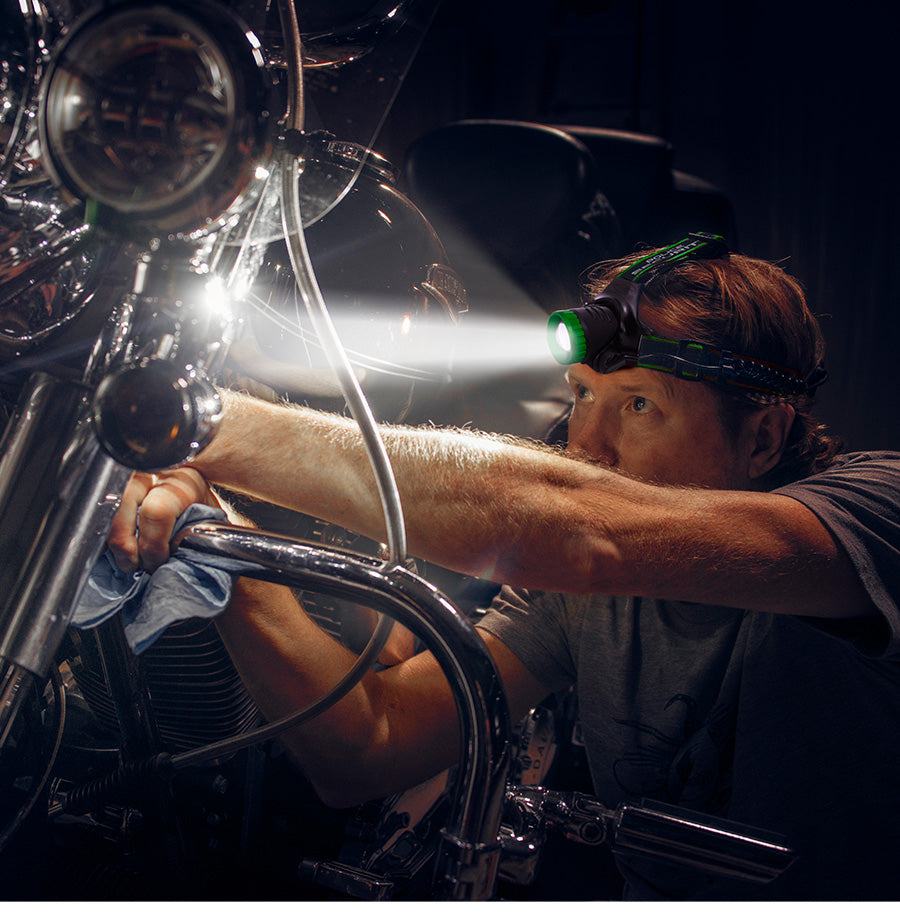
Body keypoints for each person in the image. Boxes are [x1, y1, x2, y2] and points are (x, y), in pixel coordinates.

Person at [107, 241, 900, 900]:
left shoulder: (872, 517)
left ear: (763, 438)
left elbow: (578, 526)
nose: (583, 445)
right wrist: (224, 549)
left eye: (637, 406)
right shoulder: (583, 598)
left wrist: (179, 416)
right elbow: (370, 746)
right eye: (581, 396)